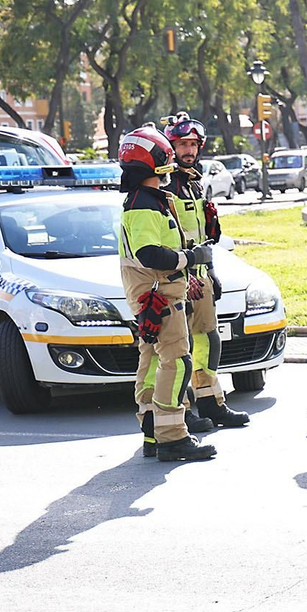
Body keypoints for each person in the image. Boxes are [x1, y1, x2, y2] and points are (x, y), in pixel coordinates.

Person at [116, 127, 217, 463]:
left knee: (154, 360)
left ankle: (151, 430)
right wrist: (191, 259)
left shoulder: (149, 200)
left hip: (159, 290)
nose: (171, 160)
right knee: (177, 362)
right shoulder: (144, 204)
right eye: (166, 156)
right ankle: (172, 436)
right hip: (158, 295)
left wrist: (184, 273)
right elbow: (150, 254)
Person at [164, 114, 250, 430]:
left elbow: (203, 235)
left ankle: (211, 403)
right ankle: (183, 410)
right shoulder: (165, 185)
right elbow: (167, 239)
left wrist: (211, 272)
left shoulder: (196, 182)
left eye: (193, 145)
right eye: (182, 144)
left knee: (209, 340)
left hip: (200, 275)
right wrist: (183, 277)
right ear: (170, 147)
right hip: (176, 277)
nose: (188, 150)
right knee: (180, 347)